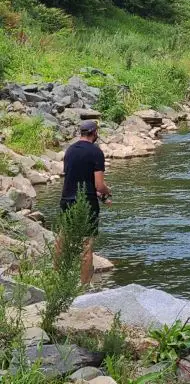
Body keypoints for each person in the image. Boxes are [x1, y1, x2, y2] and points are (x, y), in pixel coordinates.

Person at [60, 119, 112, 284]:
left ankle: (56, 278)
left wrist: (97, 192)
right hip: (87, 203)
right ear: (94, 133)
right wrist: (106, 192)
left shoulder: (70, 150)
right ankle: (83, 287)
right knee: (86, 246)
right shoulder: (96, 152)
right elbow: (98, 185)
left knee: (62, 239)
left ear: (81, 132)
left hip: (66, 199)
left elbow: (75, 179)